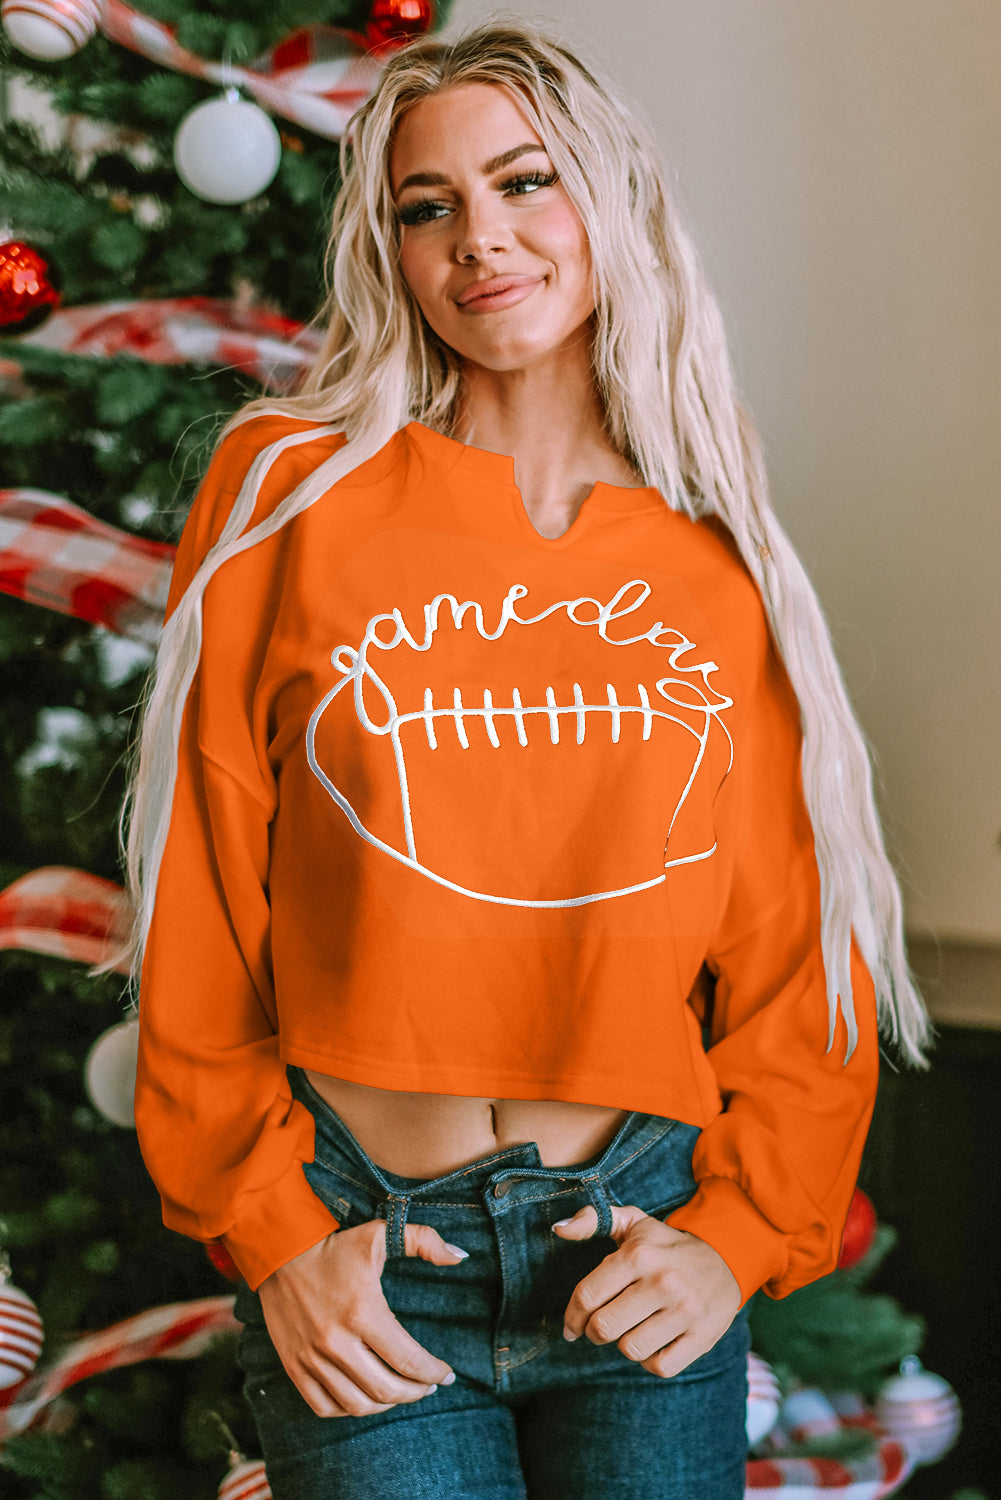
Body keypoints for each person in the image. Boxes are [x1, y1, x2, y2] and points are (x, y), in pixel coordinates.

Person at [113, 16, 934, 1499]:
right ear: (389, 246)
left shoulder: (709, 540)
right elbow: (200, 885)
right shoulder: (289, 484)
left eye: (523, 184)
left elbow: (788, 944)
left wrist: (736, 1241)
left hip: (629, 1247)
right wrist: (277, 1237)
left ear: (607, 203)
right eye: (426, 208)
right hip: (373, 1257)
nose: (478, 239)